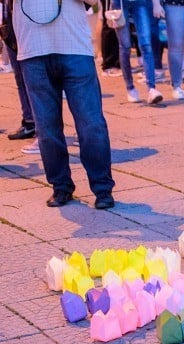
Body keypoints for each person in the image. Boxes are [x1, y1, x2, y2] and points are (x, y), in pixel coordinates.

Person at [13, 0, 116, 209]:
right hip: (32, 50)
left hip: (75, 48)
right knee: (46, 129)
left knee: (91, 124)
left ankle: (102, 188)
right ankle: (60, 187)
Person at [109, 0, 164, 104]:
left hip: (140, 2)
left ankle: (151, 88)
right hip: (119, 3)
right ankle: (130, 88)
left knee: (146, 45)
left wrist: (156, 4)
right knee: (125, 46)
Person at [1, 0, 37, 145]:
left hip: (25, 24)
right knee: (20, 78)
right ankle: (29, 121)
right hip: (9, 25)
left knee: (30, 78)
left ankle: (39, 129)